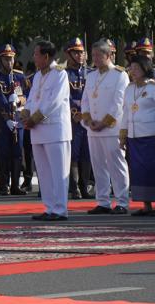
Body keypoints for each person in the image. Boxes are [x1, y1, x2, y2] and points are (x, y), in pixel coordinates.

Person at [21, 40, 71, 222]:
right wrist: (25, 113)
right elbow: (32, 99)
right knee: (43, 172)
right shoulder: (37, 76)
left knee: (58, 171)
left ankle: (60, 209)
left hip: (55, 130)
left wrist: (33, 119)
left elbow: (54, 102)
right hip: (37, 130)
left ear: (46, 56)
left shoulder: (60, 74)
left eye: (36, 54)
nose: (34, 57)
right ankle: (49, 207)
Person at [80, 39, 130, 215]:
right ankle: (103, 201)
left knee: (117, 165)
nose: (94, 59)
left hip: (111, 129)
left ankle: (122, 201)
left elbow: (118, 103)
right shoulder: (91, 76)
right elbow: (85, 101)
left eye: (98, 55)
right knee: (98, 166)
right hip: (93, 130)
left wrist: (103, 123)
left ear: (108, 55)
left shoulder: (120, 75)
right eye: (92, 55)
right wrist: (88, 120)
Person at [121, 53, 155, 216]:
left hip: (152, 136)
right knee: (139, 172)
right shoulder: (129, 88)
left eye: (136, 68)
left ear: (145, 68)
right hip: (134, 137)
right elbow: (126, 112)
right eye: (131, 68)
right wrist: (123, 134)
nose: (133, 71)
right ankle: (146, 205)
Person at [0, 45, 29, 196]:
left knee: (17, 153)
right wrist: (6, 117)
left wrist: (20, 101)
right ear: (0, 60)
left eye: (11, 59)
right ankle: (4, 185)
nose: (9, 62)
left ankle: (15, 185)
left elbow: (28, 95)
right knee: (3, 153)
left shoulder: (20, 77)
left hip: (18, 120)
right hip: (3, 122)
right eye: (6, 59)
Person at [63, 37, 94, 200]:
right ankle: (74, 187)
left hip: (88, 119)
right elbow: (65, 97)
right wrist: (74, 113)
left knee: (87, 154)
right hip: (73, 120)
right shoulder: (64, 74)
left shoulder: (91, 72)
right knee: (74, 154)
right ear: (68, 54)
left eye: (81, 52)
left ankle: (85, 186)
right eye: (75, 52)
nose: (79, 55)